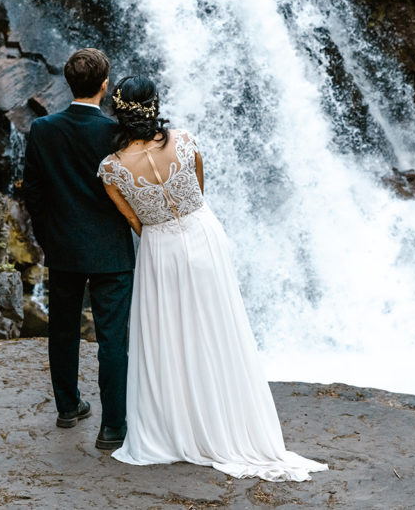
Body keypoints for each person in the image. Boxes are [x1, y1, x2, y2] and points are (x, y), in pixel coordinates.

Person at [97, 76, 327, 482]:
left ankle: (178, 427)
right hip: (204, 235)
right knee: (220, 328)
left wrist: (162, 232)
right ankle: (229, 419)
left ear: (118, 112)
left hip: (159, 248)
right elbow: (198, 190)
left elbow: (133, 220)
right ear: (154, 105)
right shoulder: (184, 140)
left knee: (169, 335)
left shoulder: (112, 169)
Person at [21, 48, 135, 451]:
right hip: (111, 251)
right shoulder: (117, 133)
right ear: (105, 85)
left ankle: (68, 407)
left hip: (63, 246)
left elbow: (32, 192)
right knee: (112, 339)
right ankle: (113, 427)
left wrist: (48, 236)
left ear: (69, 83)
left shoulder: (43, 129)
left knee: (63, 329)